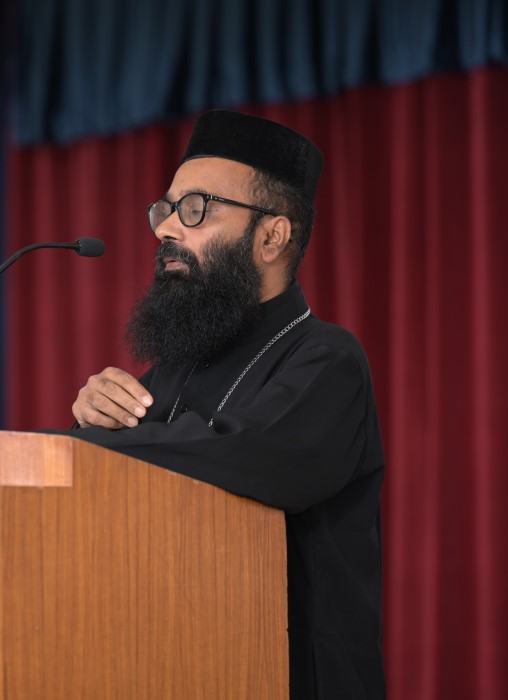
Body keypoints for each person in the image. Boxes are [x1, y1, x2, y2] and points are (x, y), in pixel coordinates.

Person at [68, 110, 386, 699]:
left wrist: (78, 448)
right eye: (166, 209)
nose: (166, 229)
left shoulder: (328, 361)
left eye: (196, 208)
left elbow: (252, 456)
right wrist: (88, 422)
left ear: (272, 236)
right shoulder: (174, 368)